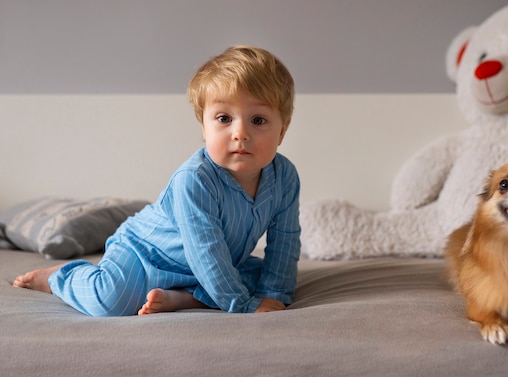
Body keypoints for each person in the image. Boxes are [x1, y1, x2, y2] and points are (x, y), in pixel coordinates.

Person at [13, 45, 301, 316]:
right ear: (204, 127)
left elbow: (284, 243)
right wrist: (245, 305)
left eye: (258, 120)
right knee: (109, 301)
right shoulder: (195, 179)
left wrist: (274, 294)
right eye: (224, 118)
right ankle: (61, 278)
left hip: (217, 260)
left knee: (259, 275)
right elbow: (206, 253)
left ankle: (184, 297)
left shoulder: (284, 177)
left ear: (283, 131)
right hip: (146, 255)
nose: (240, 133)